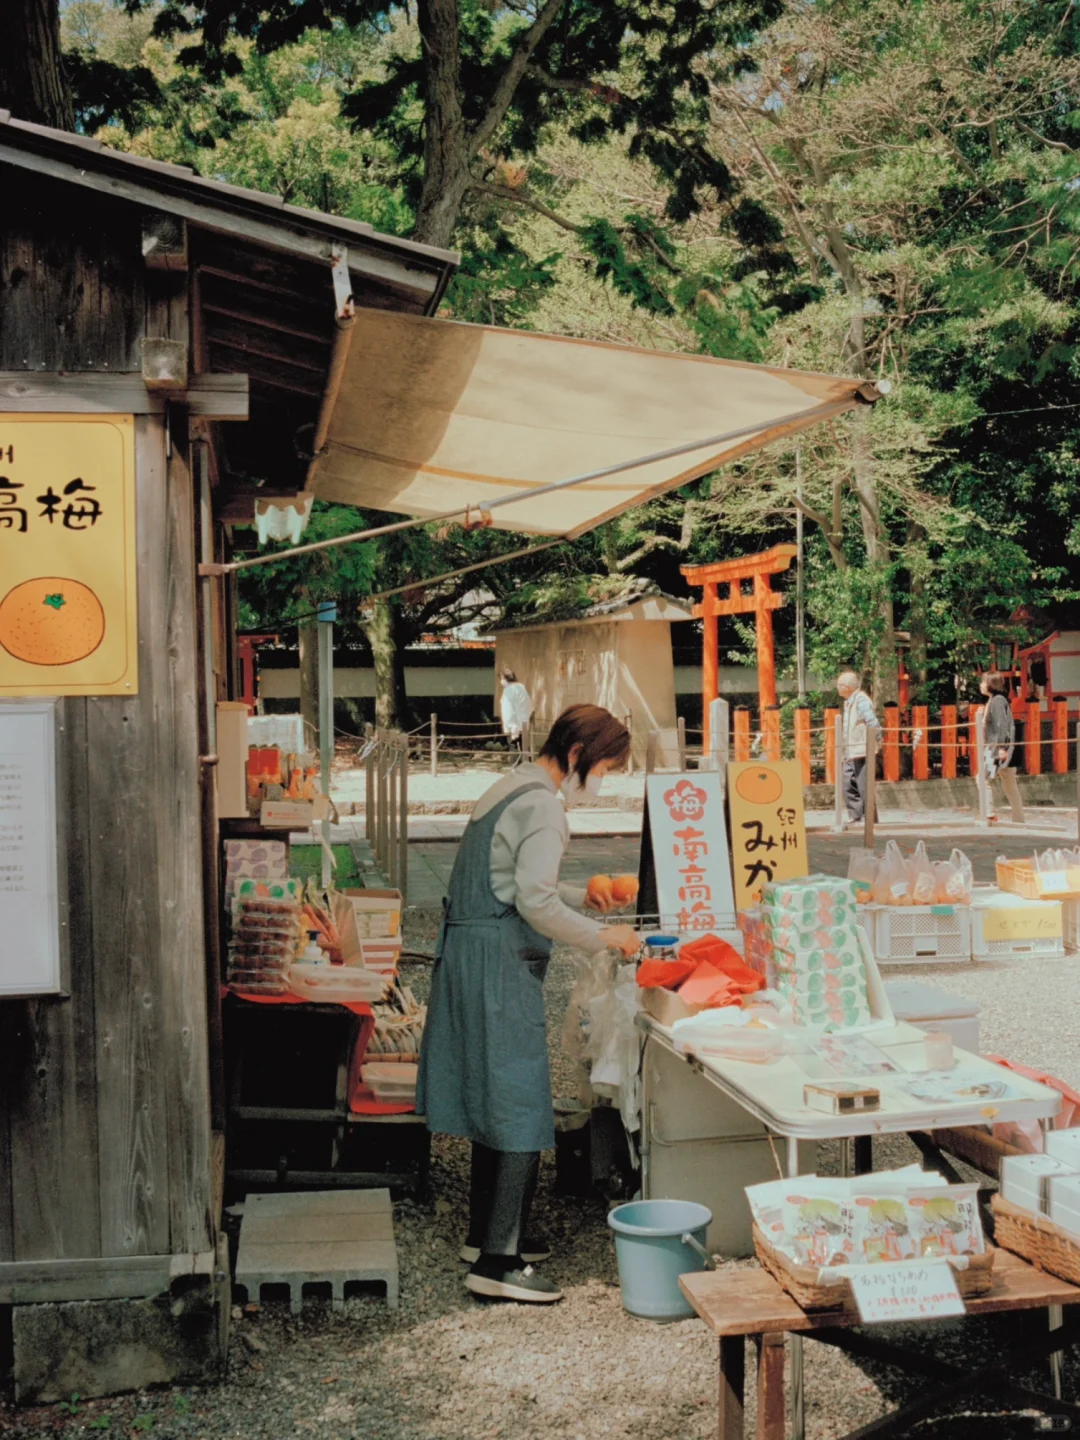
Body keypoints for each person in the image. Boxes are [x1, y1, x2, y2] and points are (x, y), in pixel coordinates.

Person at [416, 705, 638, 1306]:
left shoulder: (508, 785)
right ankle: (498, 1261)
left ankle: (483, 1232)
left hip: (468, 947)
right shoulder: (545, 805)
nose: (604, 782)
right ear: (577, 756)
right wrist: (605, 935)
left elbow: (513, 882)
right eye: (606, 769)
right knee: (518, 1092)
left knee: (492, 1086)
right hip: (497, 958)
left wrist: (580, 894)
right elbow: (534, 905)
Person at [837, 670, 881, 823]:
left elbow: (873, 722)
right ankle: (855, 815)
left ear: (847, 686)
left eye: (839, 685)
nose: (837, 688)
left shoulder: (861, 700)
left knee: (864, 786)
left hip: (862, 749)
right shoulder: (849, 701)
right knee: (848, 783)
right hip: (851, 750)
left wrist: (876, 741)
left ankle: (870, 818)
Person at [979, 672, 1023, 823]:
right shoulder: (995, 700)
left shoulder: (997, 701)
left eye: (983, 682)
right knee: (1010, 785)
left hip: (997, 748)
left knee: (982, 778)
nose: (981, 685)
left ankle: (990, 814)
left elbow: (1001, 726)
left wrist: (1001, 748)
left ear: (991, 684)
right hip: (1001, 748)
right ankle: (1019, 819)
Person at [499, 668, 533, 762]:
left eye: (501, 678)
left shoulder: (508, 691)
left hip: (513, 726)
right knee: (525, 749)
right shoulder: (521, 687)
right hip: (524, 724)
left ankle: (515, 771)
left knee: (513, 748)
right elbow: (529, 706)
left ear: (505, 678)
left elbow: (507, 710)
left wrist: (511, 726)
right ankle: (528, 770)